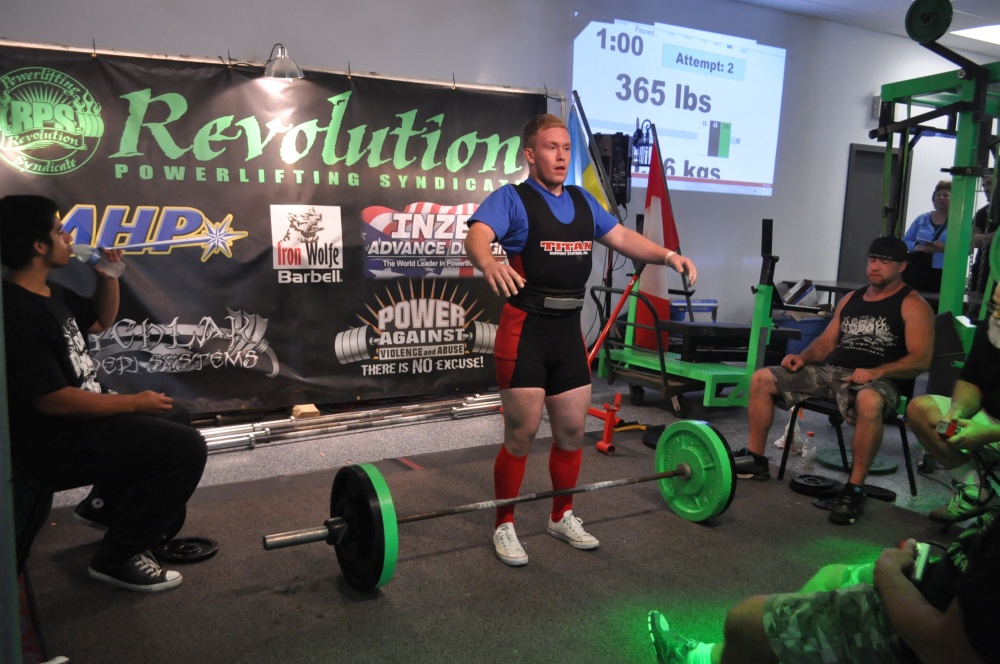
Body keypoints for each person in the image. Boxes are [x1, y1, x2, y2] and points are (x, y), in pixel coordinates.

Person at [464, 113, 697, 566]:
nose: (561, 156)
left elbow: (623, 237)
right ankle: (504, 524)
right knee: (521, 435)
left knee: (572, 432)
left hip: (566, 335)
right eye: (550, 147)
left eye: (566, 148)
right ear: (530, 155)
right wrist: (489, 262)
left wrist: (669, 256)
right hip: (525, 333)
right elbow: (478, 235)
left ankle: (561, 516)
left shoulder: (582, 201)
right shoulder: (512, 199)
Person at [1, 194, 207, 592]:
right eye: (59, 232)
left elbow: (100, 322)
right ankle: (118, 557)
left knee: (175, 415)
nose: (68, 238)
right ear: (38, 246)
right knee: (186, 449)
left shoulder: (52, 293)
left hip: (81, 422)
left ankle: (103, 506)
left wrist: (109, 276)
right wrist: (131, 402)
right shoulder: (16, 310)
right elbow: (53, 400)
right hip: (53, 441)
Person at [737, 236, 934, 525]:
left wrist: (878, 372)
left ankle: (854, 489)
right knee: (762, 379)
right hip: (834, 373)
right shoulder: (851, 299)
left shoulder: (913, 304)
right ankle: (756, 460)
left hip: (881, 381)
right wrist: (803, 357)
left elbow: (921, 359)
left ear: (901, 266)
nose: (875, 266)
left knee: (869, 400)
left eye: (884, 262)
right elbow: (826, 342)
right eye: (872, 260)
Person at [646, 506, 1000, 664]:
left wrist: (889, 574)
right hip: (934, 586)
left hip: (916, 639)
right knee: (831, 575)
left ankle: (697, 659)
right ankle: (785, 647)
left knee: (743, 621)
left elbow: (949, 651)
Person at [906, 281, 1000, 524]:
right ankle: (976, 491)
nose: (996, 315)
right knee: (920, 410)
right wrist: (957, 410)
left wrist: (988, 434)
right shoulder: (992, 327)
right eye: (994, 305)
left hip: (995, 430)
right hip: (989, 418)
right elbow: (971, 381)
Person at [902, 179, 951, 292]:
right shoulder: (922, 219)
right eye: (938, 195)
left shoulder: (957, 223)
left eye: (945, 195)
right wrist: (918, 247)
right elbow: (905, 241)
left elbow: (966, 249)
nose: (941, 198)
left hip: (945, 271)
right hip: (920, 269)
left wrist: (945, 248)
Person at [968, 175, 997, 312]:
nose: (985, 189)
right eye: (983, 185)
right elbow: (971, 240)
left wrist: (986, 238)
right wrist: (995, 236)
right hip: (982, 276)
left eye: (989, 183)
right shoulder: (982, 213)